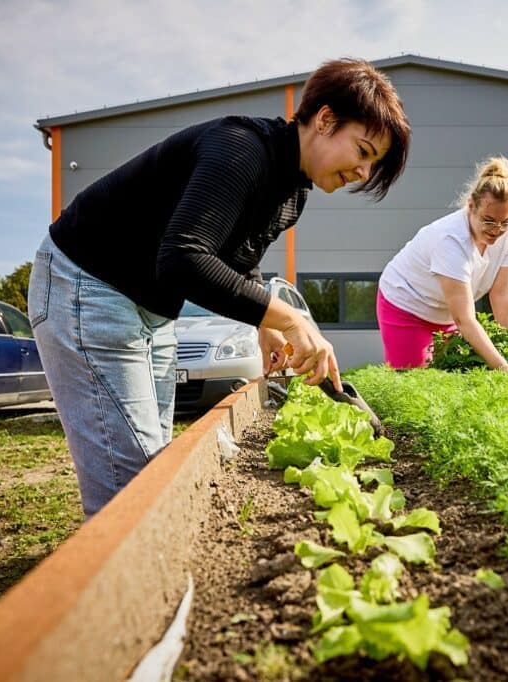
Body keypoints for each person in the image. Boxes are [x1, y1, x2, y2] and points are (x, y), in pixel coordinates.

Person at [27, 58, 410, 518]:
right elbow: (184, 259)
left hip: (149, 309)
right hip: (87, 287)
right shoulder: (241, 150)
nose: (363, 173)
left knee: (152, 470)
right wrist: (290, 317)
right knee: (131, 493)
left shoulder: (292, 193)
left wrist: (263, 327)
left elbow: (239, 258)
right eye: (363, 152)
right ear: (325, 120)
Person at [377, 156, 508, 371]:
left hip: (446, 312)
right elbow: (464, 319)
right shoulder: (451, 241)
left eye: (504, 222)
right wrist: (502, 367)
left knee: (456, 374)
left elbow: (501, 293)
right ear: (471, 207)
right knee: (415, 382)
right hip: (406, 304)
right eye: (488, 220)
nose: (496, 229)